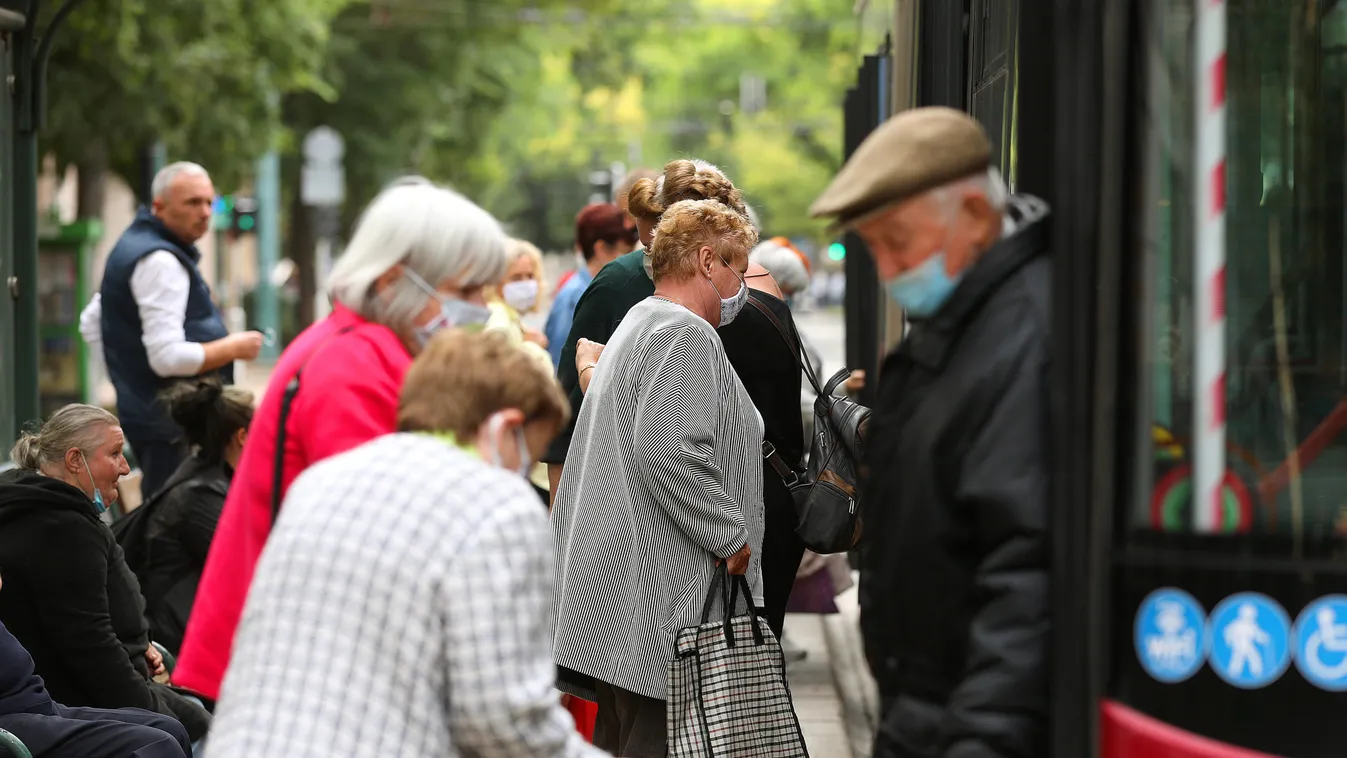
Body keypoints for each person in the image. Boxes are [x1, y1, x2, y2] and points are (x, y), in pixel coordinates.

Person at [174, 177, 510, 701]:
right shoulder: (353, 365)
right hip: (307, 662)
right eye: (466, 290)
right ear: (397, 279)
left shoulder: (356, 348)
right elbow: (382, 543)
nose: (481, 308)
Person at [205, 330, 605, 758]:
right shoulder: (496, 505)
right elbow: (505, 717)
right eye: (531, 452)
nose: (524, 472)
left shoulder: (323, 480)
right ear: (503, 428)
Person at [809, 106, 1051, 758]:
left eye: (897, 241)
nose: (887, 269)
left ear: (973, 217)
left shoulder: (1025, 333)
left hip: (962, 725)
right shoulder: (965, 323)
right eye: (872, 248)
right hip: (925, 712)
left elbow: (1025, 576)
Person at [554, 159, 806, 640]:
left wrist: (591, 367)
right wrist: (730, 536)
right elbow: (669, 446)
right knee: (717, 679)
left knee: (699, 679)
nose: (649, 247)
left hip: (699, 532)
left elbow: (654, 434)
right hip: (725, 524)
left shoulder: (654, 311)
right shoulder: (716, 311)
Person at [552, 199, 765, 758]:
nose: (740, 286)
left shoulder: (641, 319)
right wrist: (730, 535)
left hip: (623, 601)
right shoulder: (685, 334)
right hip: (663, 605)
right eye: (737, 269)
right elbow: (669, 451)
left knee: (624, 737)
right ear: (705, 260)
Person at [0, 405, 211, 743]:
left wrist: (138, 643)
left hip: (107, 681)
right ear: (74, 460)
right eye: (114, 454)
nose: (125, 468)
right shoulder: (61, 527)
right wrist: (156, 712)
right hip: (83, 696)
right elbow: (90, 648)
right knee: (195, 731)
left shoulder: (50, 511)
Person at [80, 162, 264, 499]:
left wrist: (126, 380)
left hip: (161, 423)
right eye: (192, 203)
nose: (205, 212)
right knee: (176, 525)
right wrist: (234, 347)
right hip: (174, 430)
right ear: (160, 206)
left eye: (209, 202)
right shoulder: (160, 261)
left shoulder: (138, 247)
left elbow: (91, 320)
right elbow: (166, 358)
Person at [115, 378, 254, 656]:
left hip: (181, 630)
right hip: (181, 644)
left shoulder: (200, 477)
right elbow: (246, 574)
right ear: (242, 436)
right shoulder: (201, 496)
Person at [0, 573, 192, 758]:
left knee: (170, 727)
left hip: (35, 701)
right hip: (10, 720)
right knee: (157, 744)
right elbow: (92, 641)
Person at [544, 203, 639, 367]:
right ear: (601, 249)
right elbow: (563, 365)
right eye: (625, 250)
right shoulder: (576, 296)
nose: (631, 257)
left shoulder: (592, 290)